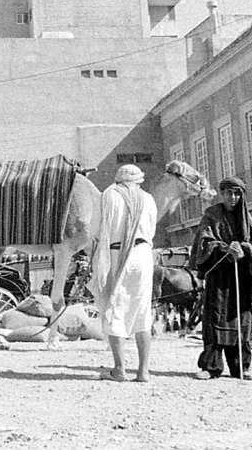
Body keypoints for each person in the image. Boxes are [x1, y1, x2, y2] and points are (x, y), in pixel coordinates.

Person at [190, 177, 252, 380]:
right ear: (221, 194)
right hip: (219, 277)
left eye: (237, 193)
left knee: (241, 320)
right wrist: (224, 248)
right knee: (215, 318)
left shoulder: (247, 219)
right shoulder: (212, 215)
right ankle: (211, 367)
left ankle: (241, 367)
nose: (232, 198)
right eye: (228, 193)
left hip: (242, 276)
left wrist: (245, 250)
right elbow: (203, 243)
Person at [87, 164, 158, 382]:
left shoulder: (109, 195)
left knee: (115, 308)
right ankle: (143, 371)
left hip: (117, 254)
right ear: (138, 181)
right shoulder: (148, 198)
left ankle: (119, 369)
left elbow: (95, 230)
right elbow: (152, 230)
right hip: (144, 254)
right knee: (142, 311)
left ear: (118, 180)